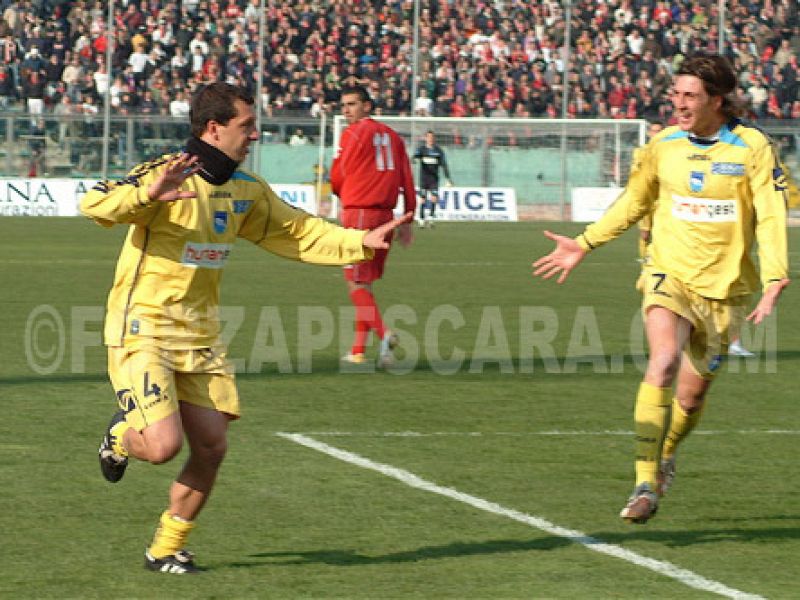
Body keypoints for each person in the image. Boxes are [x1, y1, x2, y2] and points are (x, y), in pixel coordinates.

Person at [81, 82, 411, 574]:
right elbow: (95, 203)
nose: (256, 135)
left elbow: (298, 231)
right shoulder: (166, 175)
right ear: (213, 128)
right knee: (163, 446)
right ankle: (120, 435)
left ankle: (165, 549)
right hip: (142, 328)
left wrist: (361, 239)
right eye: (246, 126)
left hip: (200, 334)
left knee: (212, 446)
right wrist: (149, 193)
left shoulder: (246, 190)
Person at [532, 54, 791, 524]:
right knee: (664, 360)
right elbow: (635, 201)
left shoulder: (752, 147)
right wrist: (585, 243)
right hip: (667, 272)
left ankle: (667, 452)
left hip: (726, 288)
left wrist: (775, 276)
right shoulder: (663, 144)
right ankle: (644, 482)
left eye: (690, 96)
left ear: (717, 99)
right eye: (676, 94)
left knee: (691, 398)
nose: (679, 104)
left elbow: (772, 213)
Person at [331, 84, 416, 367]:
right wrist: (409, 218)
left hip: (359, 213)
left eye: (352, 104)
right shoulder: (393, 137)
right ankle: (357, 351)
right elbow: (407, 179)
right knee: (364, 283)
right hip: (387, 217)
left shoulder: (352, 133)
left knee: (354, 282)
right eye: (344, 105)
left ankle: (385, 334)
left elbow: (338, 175)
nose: (346, 111)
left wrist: (342, 193)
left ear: (367, 106)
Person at [413, 130, 453, 228]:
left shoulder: (438, 151)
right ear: (426, 138)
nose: (431, 139)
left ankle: (431, 218)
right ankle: (421, 218)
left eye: (432, 137)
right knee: (422, 198)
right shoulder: (422, 149)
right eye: (429, 137)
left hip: (434, 179)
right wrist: (413, 159)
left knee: (434, 198)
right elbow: (415, 156)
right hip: (424, 178)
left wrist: (448, 178)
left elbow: (444, 165)